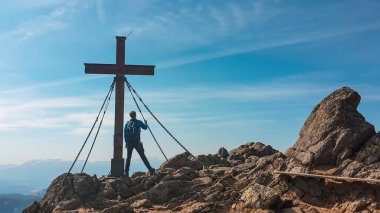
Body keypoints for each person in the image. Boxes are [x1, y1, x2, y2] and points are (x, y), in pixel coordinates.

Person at [124, 111, 155, 177]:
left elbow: (125, 133)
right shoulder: (138, 122)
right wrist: (146, 123)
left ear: (130, 116)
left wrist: (126, 141)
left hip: (129, 142)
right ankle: (150, 169)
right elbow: (145, 127)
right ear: (135, 115)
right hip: (137, 142)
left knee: (128, 157)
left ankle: (126, 172)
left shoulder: (127, 123)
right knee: (142, 156)